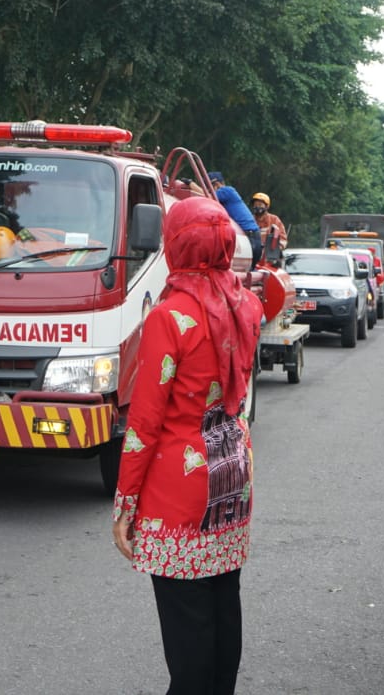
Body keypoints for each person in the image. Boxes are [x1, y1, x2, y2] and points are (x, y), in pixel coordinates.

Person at [112, 197, 263, 695]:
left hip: (180, 486)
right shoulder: (247, 306)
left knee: (187, 624)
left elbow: (144, 426)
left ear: (176, 245)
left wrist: (125, 504)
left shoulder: (171, 317)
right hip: (232, 473)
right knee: (223, 603)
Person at [208, 172, 262, 269]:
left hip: (250, 237)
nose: (209, 190)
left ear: (216, 185)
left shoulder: (226, 191)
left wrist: (192, 186)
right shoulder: (227, 196)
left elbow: (207, 196)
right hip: (252, 236)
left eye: (209, 187)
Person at [249, 192, 287, 258]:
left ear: (267, 206)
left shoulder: (274, 220)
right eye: (255, 205)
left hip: (269, 259)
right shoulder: (249, 220)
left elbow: (283, 240)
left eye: (260, 204)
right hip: (251, 257)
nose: (257, 207)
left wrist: (275, 249)